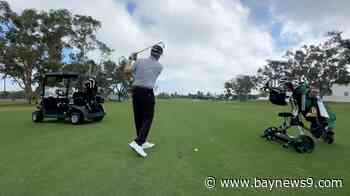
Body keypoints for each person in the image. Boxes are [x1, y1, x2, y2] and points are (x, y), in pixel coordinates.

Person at [126, 44, 164, 157]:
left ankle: (142, 141)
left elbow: (127, 71)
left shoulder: (139, 62)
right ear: (160, 55)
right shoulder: (159, 67)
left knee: (139, 117)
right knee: (148, 117)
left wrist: (131, 59)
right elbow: (146, 73)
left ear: (150, 52)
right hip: (147, 93)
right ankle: (137, 143)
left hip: (136, 91)